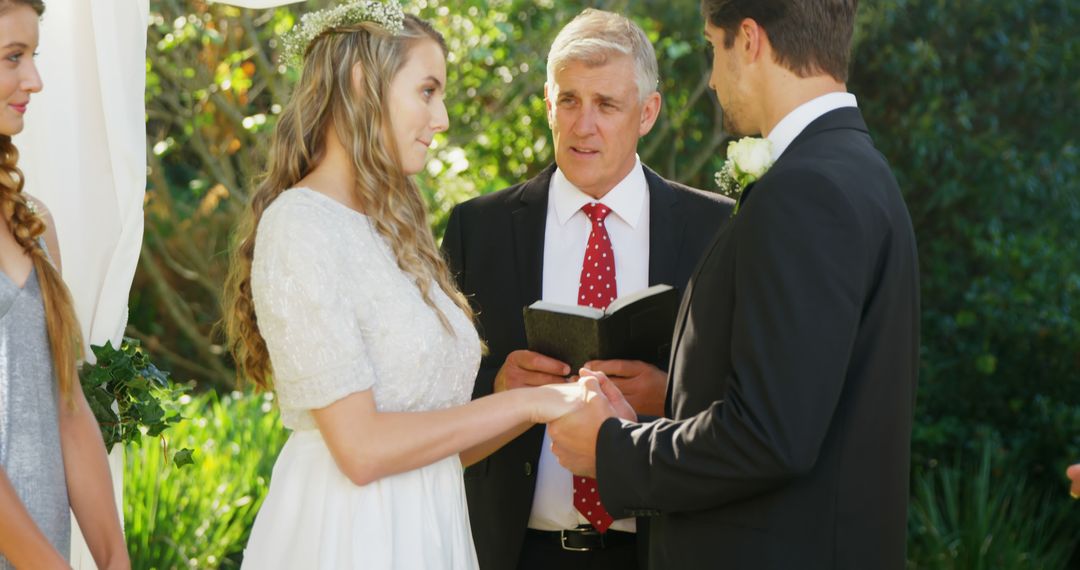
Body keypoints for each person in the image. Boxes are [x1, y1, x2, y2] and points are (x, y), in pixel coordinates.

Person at [549, 0, 921, 568]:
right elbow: (796, 410)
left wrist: (613, 447)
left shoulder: (807, 189)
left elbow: (768, 436)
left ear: (748, 40)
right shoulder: (856, 170)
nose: (713, 76)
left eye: (711, 47)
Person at [221, 3, 586, 569]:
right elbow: (362, 451)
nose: (441, 119)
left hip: (430, 531)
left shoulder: (394, 230)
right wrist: (532, 401)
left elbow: (442, 447)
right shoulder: (300, 226)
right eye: (427, 91)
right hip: (348, 536)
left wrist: (538, 406)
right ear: (365, 83)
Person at [442, 8, 732, 569]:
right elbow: (429, 399)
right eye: (569, 100)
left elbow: (749, 402)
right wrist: (501, 389)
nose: (583, 125)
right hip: (514, 552)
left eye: (606, 104)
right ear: (548, 105)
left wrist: (671, 396)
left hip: (659, 551)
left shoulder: (715, 230)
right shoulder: (479, 229)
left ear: (647, 113)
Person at [0, 1, 130, 569]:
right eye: (12, 57)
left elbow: (69, 409)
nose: (35, 79)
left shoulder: (35, 223)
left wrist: (113, 560)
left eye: (33, 55)